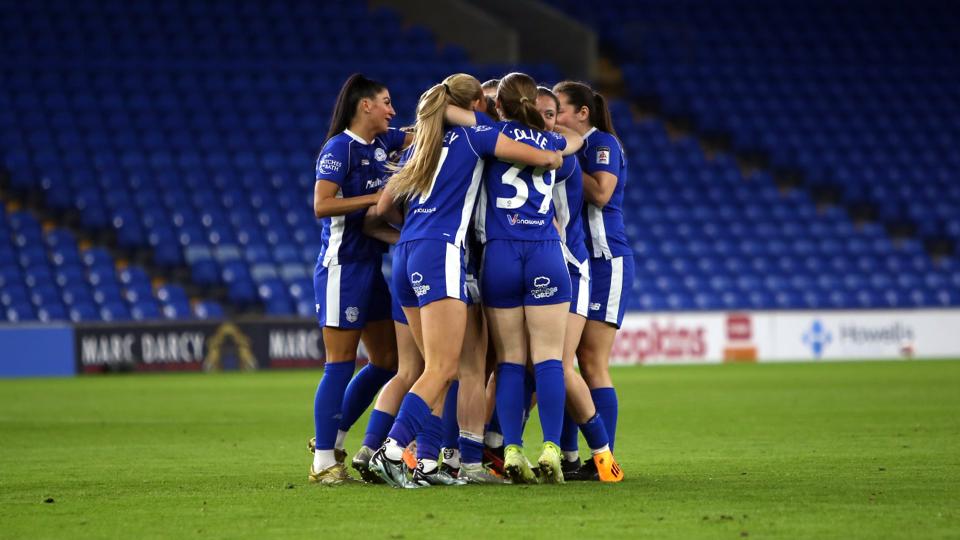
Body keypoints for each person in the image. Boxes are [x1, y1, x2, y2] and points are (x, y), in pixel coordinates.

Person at [367, 74, 564, 488]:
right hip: (443, 252)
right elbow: (540, 157)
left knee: (430, 369)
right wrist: (559, 150)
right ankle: (390, 451)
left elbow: (381, 208)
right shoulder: (477, 136)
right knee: (444, 367)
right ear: (476, 101)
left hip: (406, 252)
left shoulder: (423, 142)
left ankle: (426, 462)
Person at [473, 72, 581, 484]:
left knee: (510, 363)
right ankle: (552, 447)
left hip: (499, 253)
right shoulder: (554, 142)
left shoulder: (489, 135)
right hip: (544, 253)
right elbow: (574, 142)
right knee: (550, 359)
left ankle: (513, 449)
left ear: (499, 105)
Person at [309, 74, 411, 485]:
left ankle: (330, 440)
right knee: (339, 364)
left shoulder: (382, 144)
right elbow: (321, 205)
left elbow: (422, 132)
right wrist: (377, 198)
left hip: (369, 266)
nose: (392, 110)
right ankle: (322, 460)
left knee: (388, 361)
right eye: (386, 102)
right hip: (341, 267)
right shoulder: (339, 149)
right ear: (364, 105)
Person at [536, 87, 623, 482]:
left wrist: (563, 158)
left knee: (591, 362)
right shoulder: (573, 145)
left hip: (606, 260)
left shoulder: (600, 143)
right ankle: (571, 455)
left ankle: (604, 456)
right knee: (569, 360)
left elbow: (602, 193)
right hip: (579, 259)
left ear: (582, 113)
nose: (554, 115)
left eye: (561, 109)